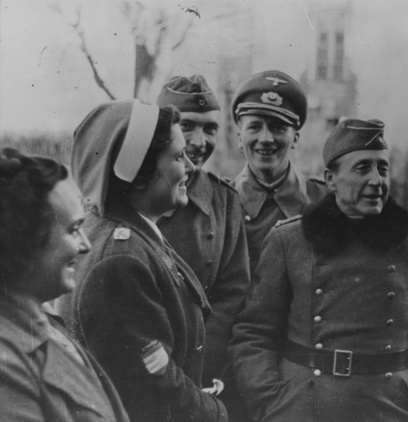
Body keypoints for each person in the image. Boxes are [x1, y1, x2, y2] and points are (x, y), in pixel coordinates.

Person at [229, 118, 408, 422]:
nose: (377, 181)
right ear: (331, 179)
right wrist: (270, 403)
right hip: (302, 407)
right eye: (362, 168)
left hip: (393, 409)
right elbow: (253, 334)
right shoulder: (289, 240)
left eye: (383, 169)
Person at [58, 99, 227, 421]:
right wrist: (215, 412)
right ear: (138, 175)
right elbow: (153, 385)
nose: (191, 167)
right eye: (177, 157)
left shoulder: (120, 234)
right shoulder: (121, 259)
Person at [0, 148, 129, 421]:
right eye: (73, 230)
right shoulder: (7, 363)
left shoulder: (44, 326)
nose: (86, 244)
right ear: (25, 240)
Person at [156, 75, 250, 394]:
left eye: (210, 129)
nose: (199, 142)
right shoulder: (137, 197)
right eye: (187, 126)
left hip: (201, 371)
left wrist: (201, 369)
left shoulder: (225, 201)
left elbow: (232, 293)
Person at [230, 70, 329, 273]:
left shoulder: (324, 200)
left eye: (278, 128)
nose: (266, 139)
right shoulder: (222, 203)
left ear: (295, 139)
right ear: (240, 137)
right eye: (255, 127)